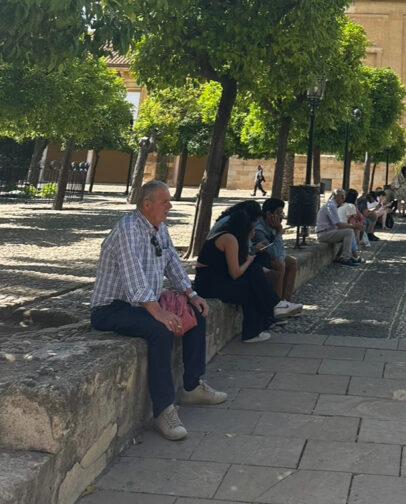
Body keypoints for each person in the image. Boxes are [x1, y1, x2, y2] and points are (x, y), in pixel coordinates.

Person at [90, 180, 227, 442]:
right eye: (165, 201)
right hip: (111, 307)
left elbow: (172, 262)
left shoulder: (159, 228)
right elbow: (133, 277)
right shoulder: (128, 229)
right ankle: (164, 410)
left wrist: (191, 294)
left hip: (141, 303)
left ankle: (191, 385)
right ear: (146, 204)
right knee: (159, 331)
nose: (170, 206)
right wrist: (158, 312)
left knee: (196, 313)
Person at [194, 208, 279, 344]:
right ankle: (255, 329)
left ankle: (273, 310)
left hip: (214, 280)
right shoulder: (229, 239)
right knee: (251, 288)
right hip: (209, 284)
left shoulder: (223, 235)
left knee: (255, 271)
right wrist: (249, 260)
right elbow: (235, 273)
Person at [253, 198, 303, 312]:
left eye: (282, 213)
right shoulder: (259, 229)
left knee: (291, 262)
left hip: (269, 257)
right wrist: (279, 232)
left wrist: (277, 232)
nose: (281, 216)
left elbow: (280, 252)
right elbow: (274, 253)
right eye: (279, 213)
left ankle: (286, 302)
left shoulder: (272, 225)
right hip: (258, 260)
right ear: (269, 214)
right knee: (280, 264)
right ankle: (277, 305)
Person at [315, 189, 357, 264]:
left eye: (344, 197)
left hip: (328, 232)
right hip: (324, 233)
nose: (343, 199)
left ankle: (341, 256)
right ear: (335, 196)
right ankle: (345, 257)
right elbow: (339, 225)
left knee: (348, 231)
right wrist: (354, 226)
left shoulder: (333, 205)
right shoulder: (331, 206)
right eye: (342, 197)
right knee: (349, 232)